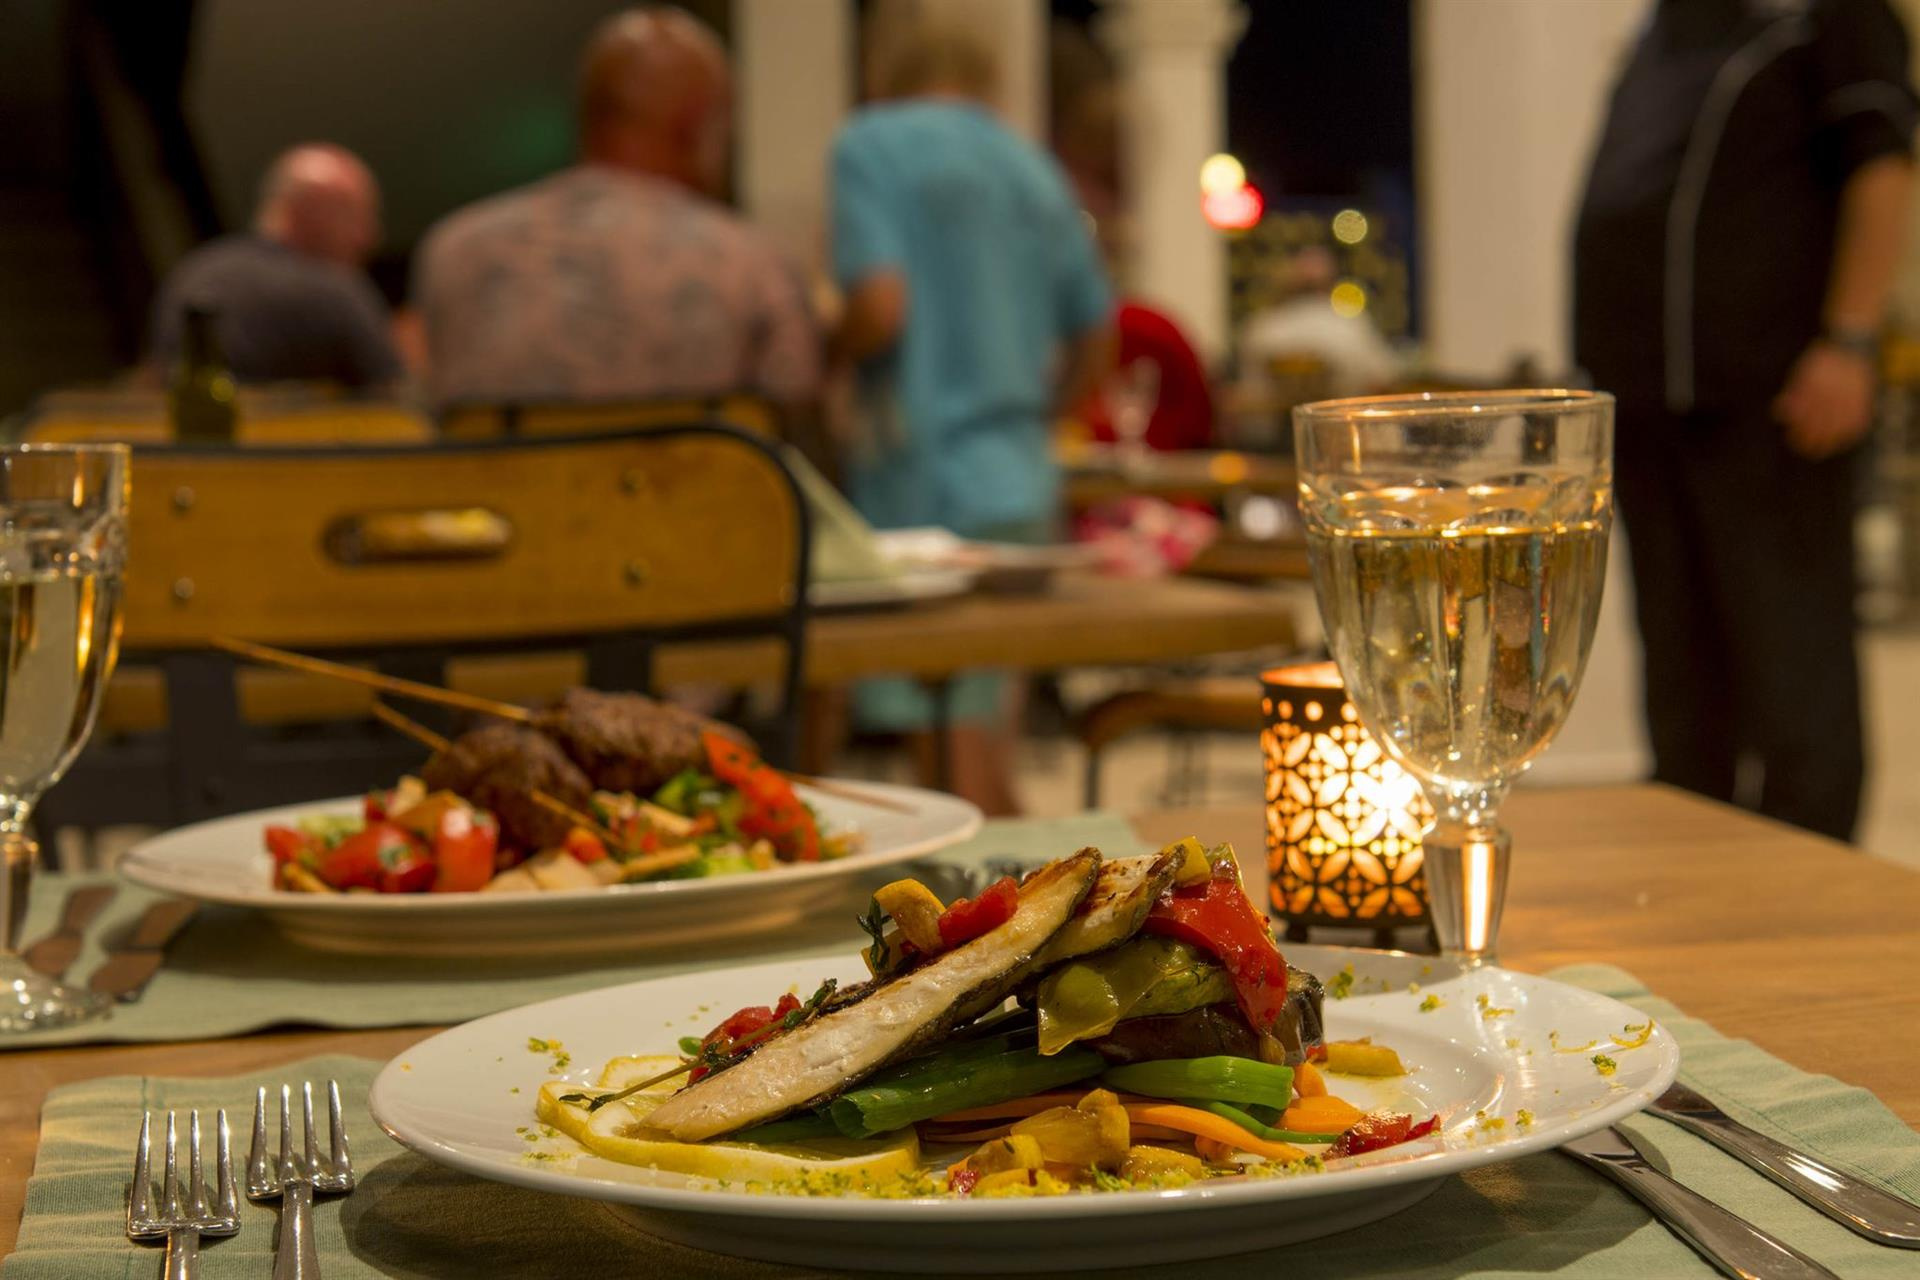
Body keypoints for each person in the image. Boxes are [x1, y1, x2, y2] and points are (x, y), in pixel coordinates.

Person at [1573, 0, 1917, 842]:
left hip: (1774, 404)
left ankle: (1810, 879)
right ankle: (1699, 865)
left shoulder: (1830, 14)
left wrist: (1849, 343)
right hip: (1648, 408)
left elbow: (1881, 165)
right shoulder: (1664, 29)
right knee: (1681, 680)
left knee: (1794, 675)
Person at [829, 24, 1115, 814]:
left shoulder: (871, 145)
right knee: (988, 742)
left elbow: (880, 305)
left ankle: (1021, 896)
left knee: (955, 773)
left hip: (919, 478)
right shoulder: (1030, 167)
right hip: (1018, 472)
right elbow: (1099, 332)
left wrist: (827, 355)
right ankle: (1038, 889)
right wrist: (1040, 415)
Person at [413, 7, 819, 408]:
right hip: (686, 455)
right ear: (696, 127)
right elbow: (793, 416)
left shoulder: (452, 252)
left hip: (510, 457)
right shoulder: (755, 267)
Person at [148, 143, 401, 388]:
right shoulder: (335, 289)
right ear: (310, 211)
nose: (369, 237)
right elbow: (390, 389)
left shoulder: (195, 269)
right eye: (356, 215)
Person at [1238, 247, 1400, 399]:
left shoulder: (1261, 326)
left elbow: (1248, 387)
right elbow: (1384, 375)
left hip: (1271, 419)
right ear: (1329, 283)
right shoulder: (1350, 324)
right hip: (1338, 416)